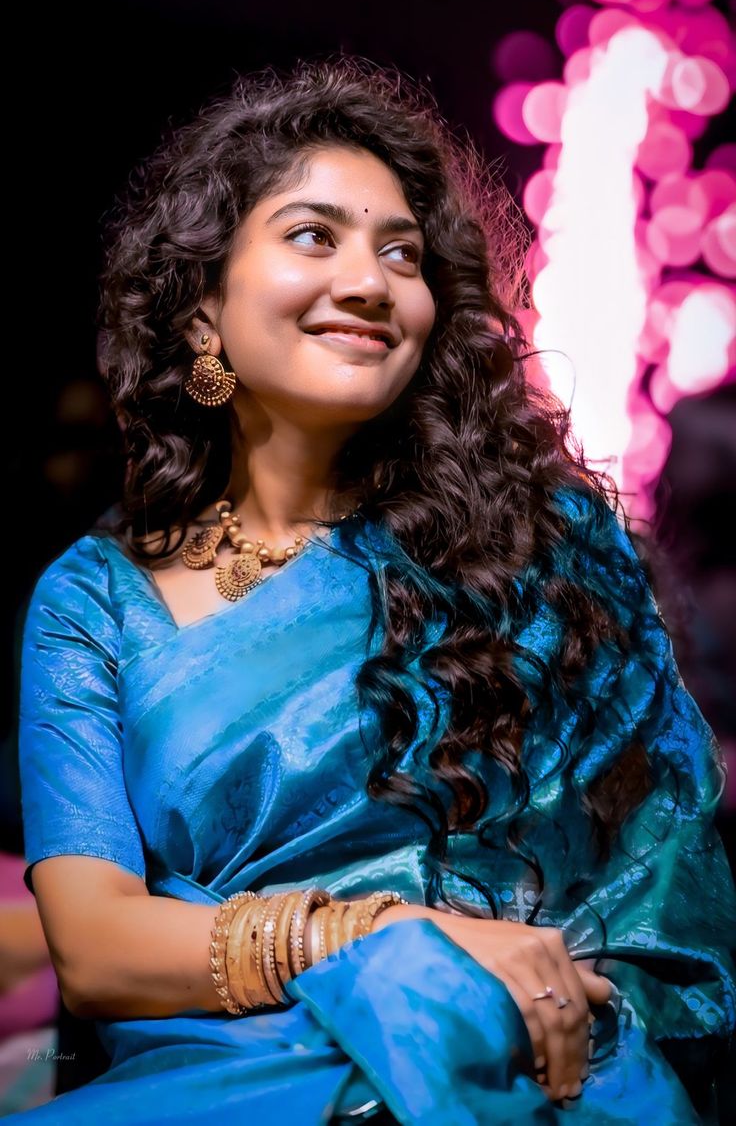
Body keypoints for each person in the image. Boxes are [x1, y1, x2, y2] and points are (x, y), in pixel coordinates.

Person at [10, 55, 736, 1124]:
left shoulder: (546, 552)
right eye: (314, 236)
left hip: (521, 1061)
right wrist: (387, 941)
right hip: (225, 1075)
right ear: (203, 307)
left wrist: (468, 999)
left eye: (401, 253)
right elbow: (97, 945)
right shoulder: (94, 601)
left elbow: (661, 893)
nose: (369, 280)